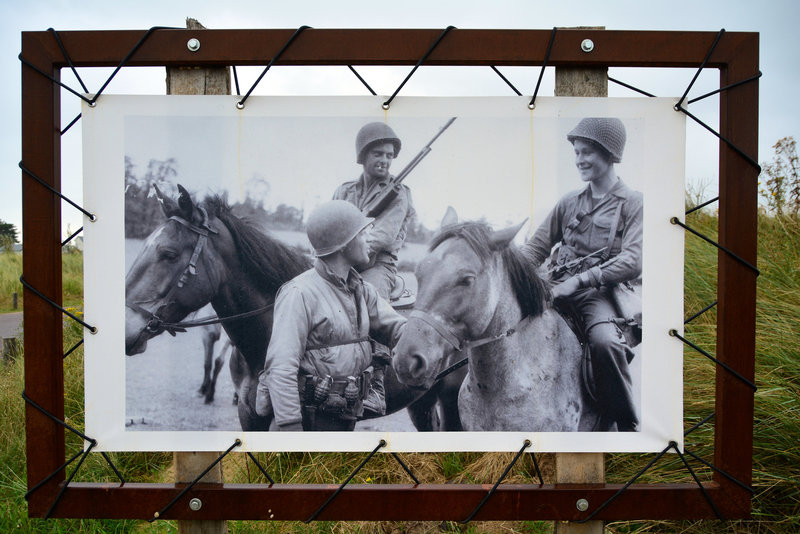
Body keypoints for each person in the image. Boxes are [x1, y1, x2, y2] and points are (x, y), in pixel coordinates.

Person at [522, 117, 643, 432]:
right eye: (576, 152)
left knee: (605, 344)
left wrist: (580, 280)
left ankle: (624, 423)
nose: (580, 160)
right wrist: (506, 265)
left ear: (609, 153)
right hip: (554, 286)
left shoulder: (632, 203)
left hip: (597, 294)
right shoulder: (569, 202)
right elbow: (536, 248)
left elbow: (633, 259)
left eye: (587, 152)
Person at [258, 200, 407, 431]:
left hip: (345, 417)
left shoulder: (361, 289)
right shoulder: (299, 293)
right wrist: (290, 427)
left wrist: (434, 333)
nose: (369, 238)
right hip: (305, 423)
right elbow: (281, 367)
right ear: (343, 244)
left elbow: (397, 328)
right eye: (362, 233)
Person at [333, 121, 416, 300]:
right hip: (338, 263)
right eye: (378, 154)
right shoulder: (345, 190)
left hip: (378, 266)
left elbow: (382, 236)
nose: (384, 161)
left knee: (369, 303)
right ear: (363, 156)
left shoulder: (399, 193)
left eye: (389, 156)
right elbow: (326, 227)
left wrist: (340, 260)